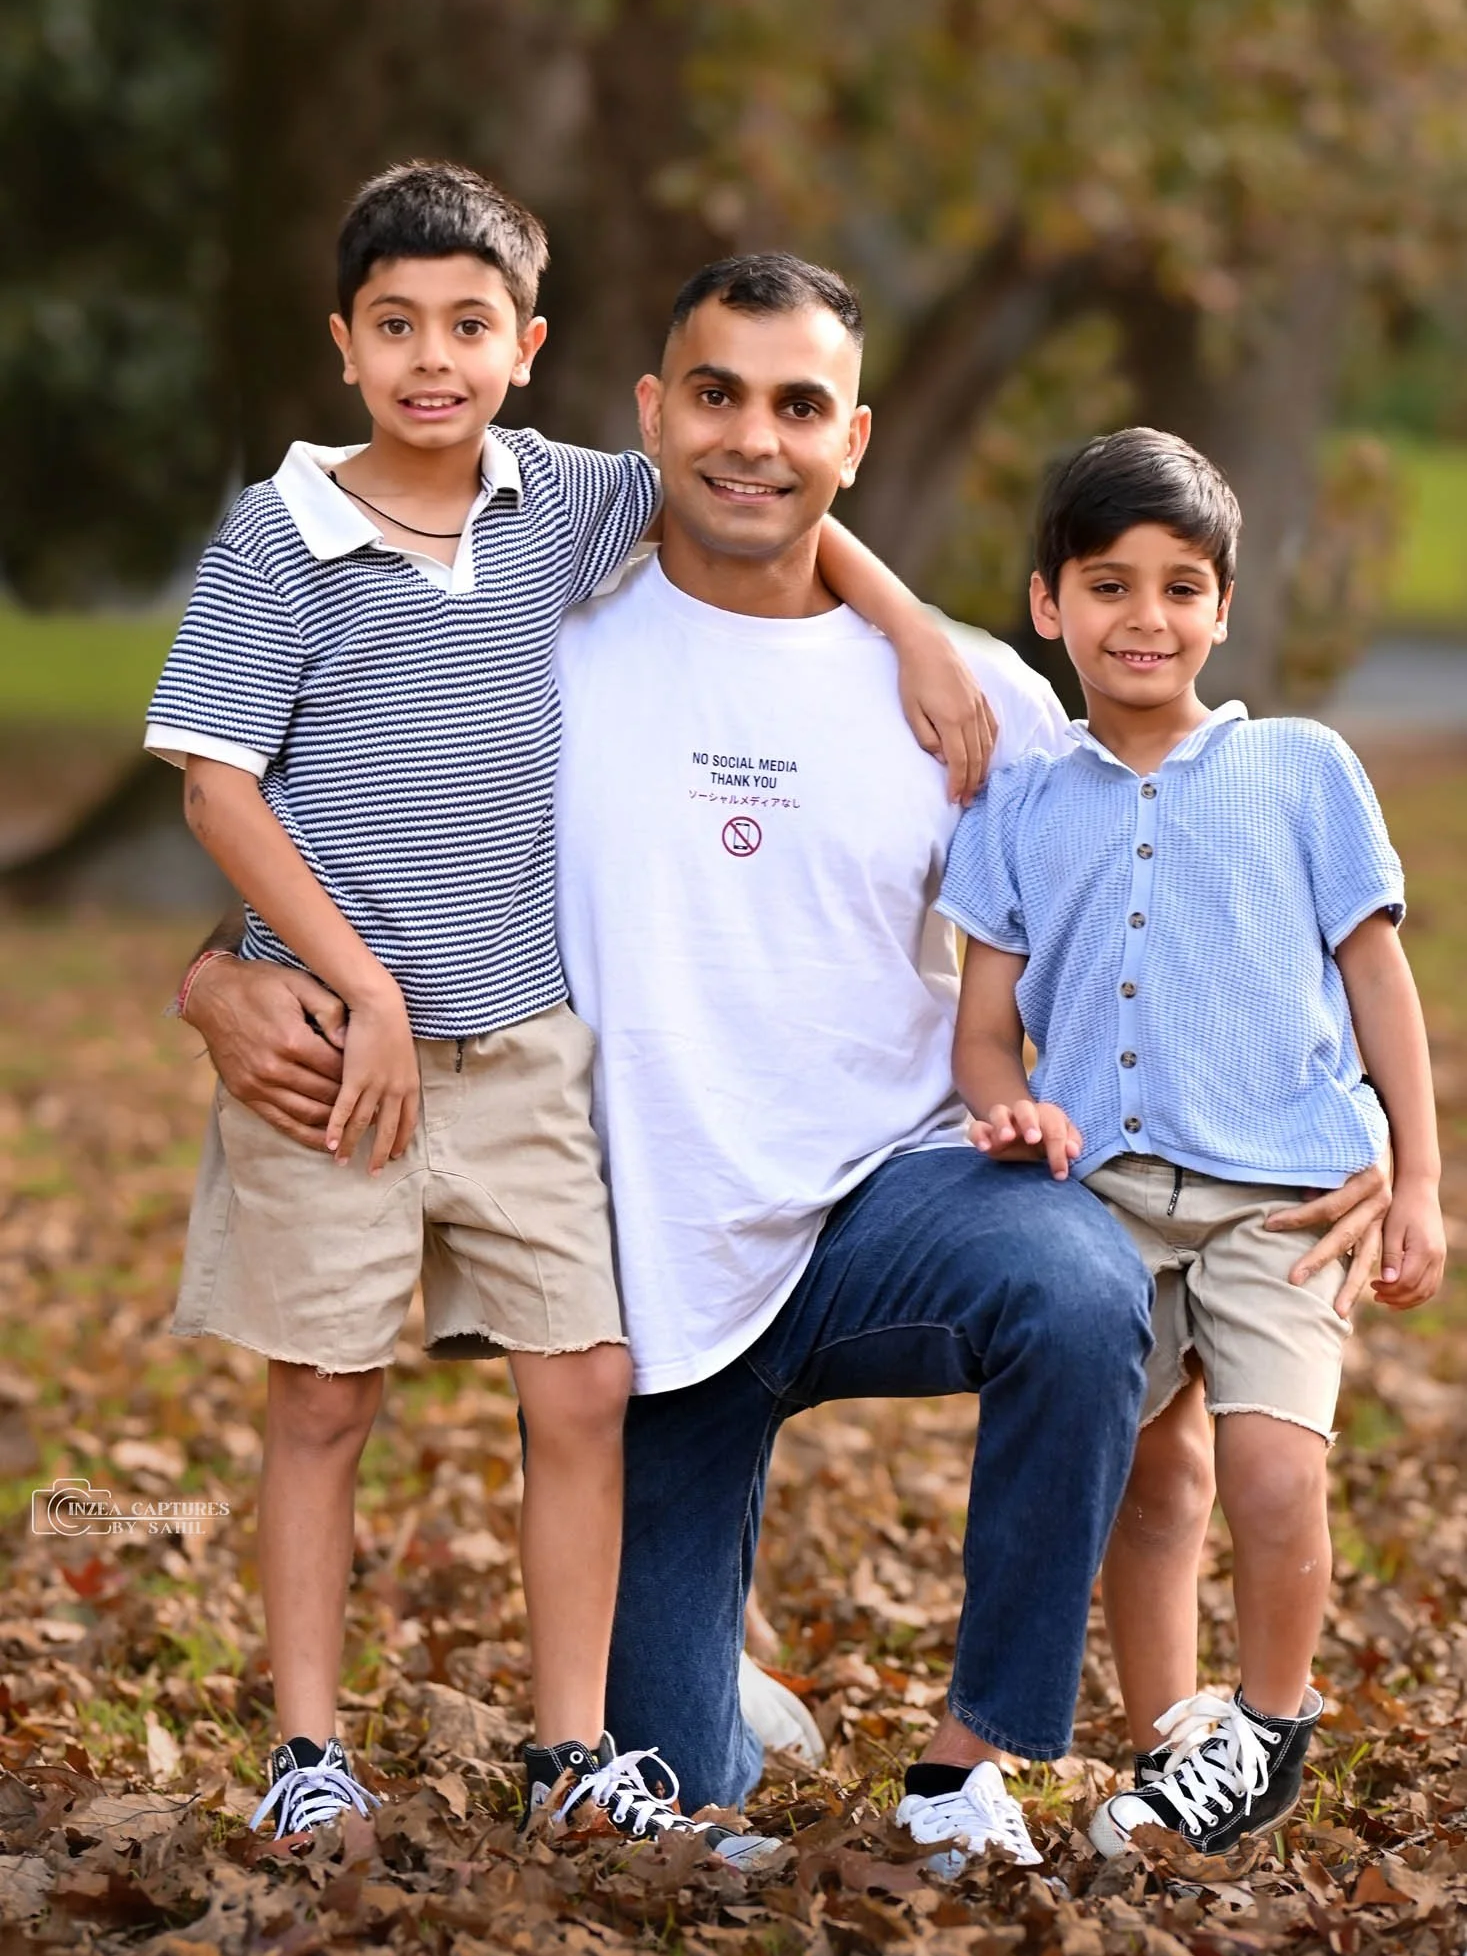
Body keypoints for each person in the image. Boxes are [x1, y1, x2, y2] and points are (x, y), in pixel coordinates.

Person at [183, 269, 1387, 1874]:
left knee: (1081, 1283)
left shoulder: (975, 698)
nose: (753, 440)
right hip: (639, 1286)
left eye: (798, 406)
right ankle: (720, 1701)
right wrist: (211, 978)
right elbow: (359, 813)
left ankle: (973, 1758)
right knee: (681, 1787)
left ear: (854, 438)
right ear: (649, 415)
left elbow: (1165, 878)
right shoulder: (544, 645)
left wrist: (1336, 1124)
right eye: (717, 396)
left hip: (887, 1209)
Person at [144, 167, 983, 1859]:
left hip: (523, 1044)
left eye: (468, 326)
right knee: (322, 1392)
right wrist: (347, 984)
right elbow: (215, 784)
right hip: (330, 1046)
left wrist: (910, 628)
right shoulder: (280, 534)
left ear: (527, 348)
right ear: (343, 343)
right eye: (395, 327)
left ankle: (570, 1754)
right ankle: (307, 1747)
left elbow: (768, 479)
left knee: (584, 1381)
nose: (431, 361)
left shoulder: (563, 499)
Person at [939, 427, 1445, 1859]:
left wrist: (1415, 1176)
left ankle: (1267, 1722)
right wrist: (1007, 1100)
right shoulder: (1021, 807)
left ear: (1221, 606)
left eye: (1176, 588)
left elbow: (1376, 977)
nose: (1142, 619)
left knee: (1275, 1475)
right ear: (1048, 606)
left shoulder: (1299, 768)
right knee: (1142, 1481)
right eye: (1106, 586)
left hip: (1286, 1193)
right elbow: (984, 1031)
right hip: (1101, 1205)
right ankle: (1171, 1744)